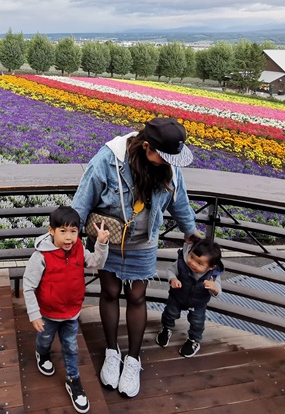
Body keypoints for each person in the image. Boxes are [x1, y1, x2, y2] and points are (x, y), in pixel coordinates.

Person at [72, 117, 203, 398]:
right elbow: (83, 198)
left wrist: (190, 231)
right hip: (107, 239)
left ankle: (133, 359)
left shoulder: (170, 167)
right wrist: (70, 236)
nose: (169, 162)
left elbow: (180, 201)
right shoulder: (109, 158)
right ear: (146, 146)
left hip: (143, 243)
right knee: (108, 292)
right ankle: (111, 351)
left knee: (137, 297)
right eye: (163, 156)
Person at [23, 206, 110, 413]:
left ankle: (73, 381)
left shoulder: (78, 248)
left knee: (71, 347)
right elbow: (28, 285)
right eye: (63, 231)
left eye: (73, 231)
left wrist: (101, 243)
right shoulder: (41, 256)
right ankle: (42, 354)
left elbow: (96, 262)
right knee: (45, 339)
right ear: (51, 231)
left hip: (72, 312)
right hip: (48, 313)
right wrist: (34, 314)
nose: (69, 237)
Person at [156, 238, 223, 358]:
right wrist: (173, 279)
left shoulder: (213, 275)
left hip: (198, 303)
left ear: (211, 267)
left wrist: (214, 288)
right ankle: (166, 329)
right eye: (191, 257)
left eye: (199, 263)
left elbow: (218, 292)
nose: (192, 263)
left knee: (197, 322)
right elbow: (171, 271)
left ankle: (193, 340)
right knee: (170, 313)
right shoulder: (182, 262)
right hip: (177, 296)